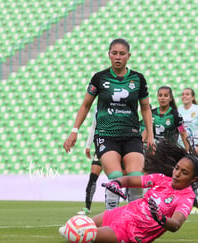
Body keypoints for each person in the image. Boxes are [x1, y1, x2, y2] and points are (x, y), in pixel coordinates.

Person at [63, 38, 154, 210]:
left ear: (129, 56)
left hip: (132, 135)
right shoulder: (99, 78)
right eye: (114, 53)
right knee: (116, 177)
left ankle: (134, 222)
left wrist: (150, 134)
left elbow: (146, 108)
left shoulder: (138, 79)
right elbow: (86, 105)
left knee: (135, 179)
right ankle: (112, 220)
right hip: (106, 135)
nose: (118, 57)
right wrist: (74, 131)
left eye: (122, 54)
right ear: (109, 55)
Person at [59, 141, 198, 243]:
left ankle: (72, 232)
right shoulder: (162, 179)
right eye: (177, 168)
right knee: (74, 226)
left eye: (184, 172)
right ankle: (69, 230)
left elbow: (175, 224)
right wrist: (116, 183)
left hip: (132, 230)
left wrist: (160, 218)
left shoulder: (186, 198)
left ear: (193, 179)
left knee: (82, 234)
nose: (177, 173)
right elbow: (131, 180)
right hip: (121, 212)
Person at [142, 86, 190, 150]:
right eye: (160, 95)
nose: (162, 98)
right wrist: (141, 143)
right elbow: (146, 131)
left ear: (170, 98)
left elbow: (183, 132)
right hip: (155, 150)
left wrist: (188, 150)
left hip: (170, 151)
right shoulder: (152, 113)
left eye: (166, 96)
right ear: (157, 97)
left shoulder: (176, 115)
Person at [77, 110, 102, 215]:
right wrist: (88, 145)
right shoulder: (98, 108)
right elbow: (93, 127)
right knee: (93, 176)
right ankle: (87, 207)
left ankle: (128, 205)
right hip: (101, 147)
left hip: (117, 147)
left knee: (120, 177)